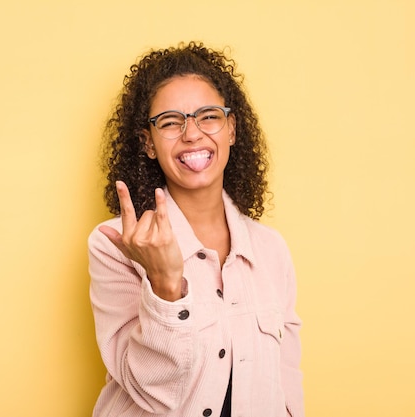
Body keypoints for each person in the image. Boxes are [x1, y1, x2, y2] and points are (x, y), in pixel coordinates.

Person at [88, 41, 304, 417]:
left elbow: (287, 389)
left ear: (231, 129)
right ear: (148, 143)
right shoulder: (117, 246)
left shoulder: (272, 250)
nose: (192, 134)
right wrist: (165, 286)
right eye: (170, 122)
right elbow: (150, 392)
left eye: (208, 116)